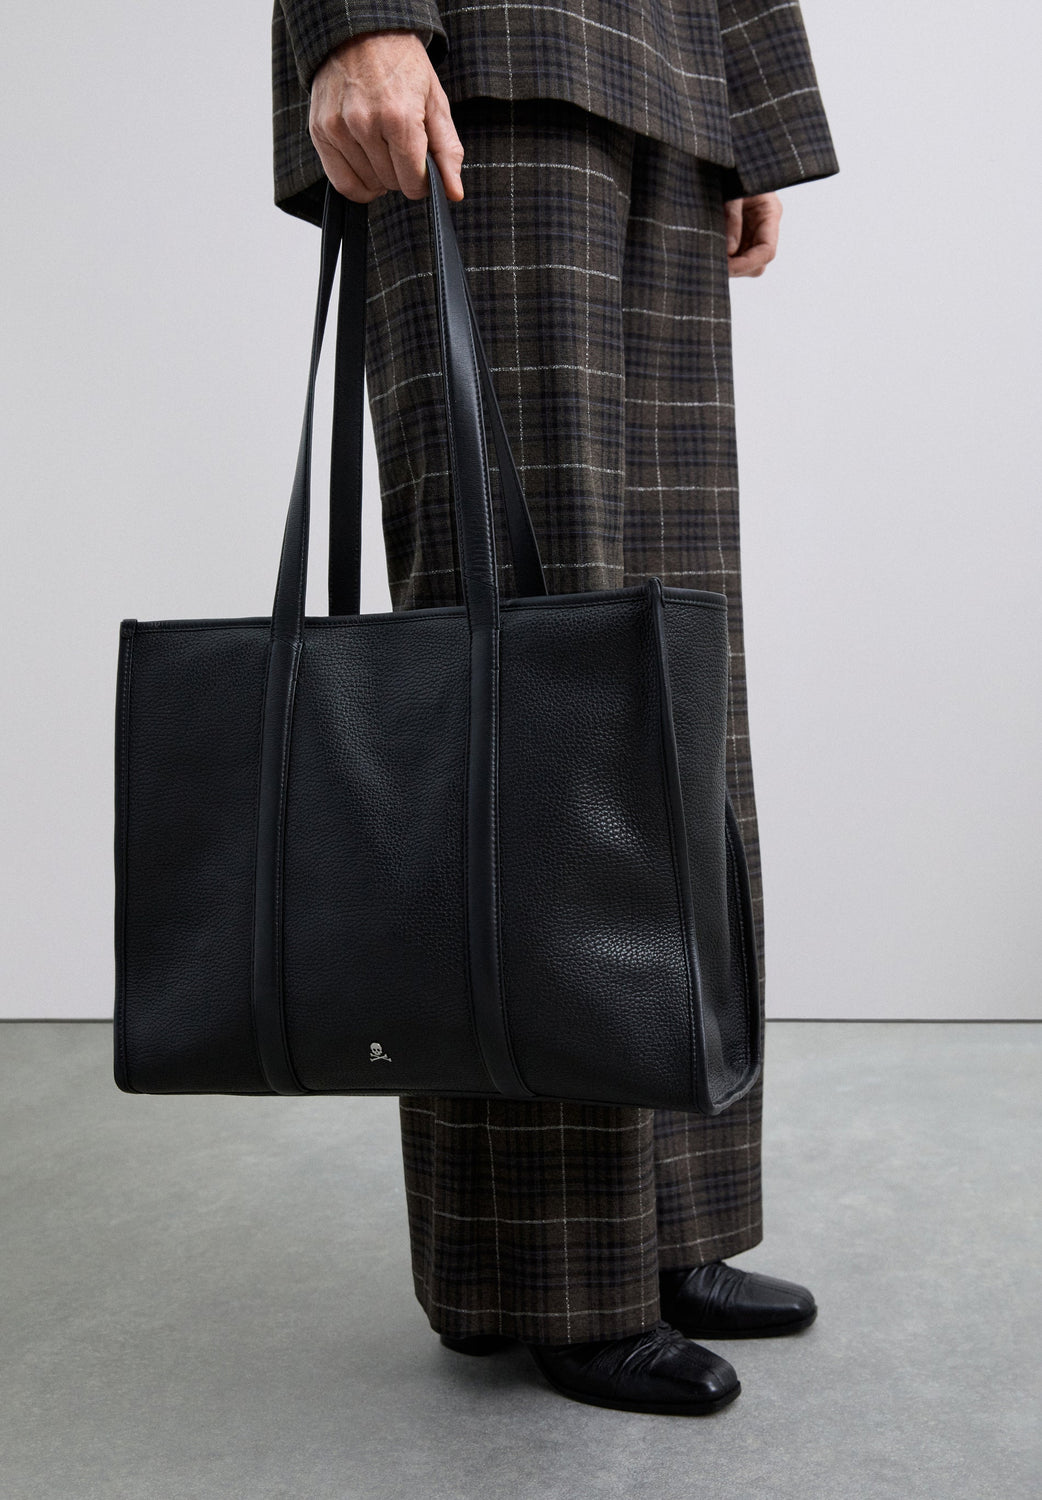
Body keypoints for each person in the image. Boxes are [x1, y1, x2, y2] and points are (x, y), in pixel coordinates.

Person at [270, 0, 839, 1416]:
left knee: (668, 680)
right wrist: (358, 22)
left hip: (666, 78)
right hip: (488, 67)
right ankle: (549, 1270)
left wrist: (744, 113)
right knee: (533, 701)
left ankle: (675, 1219)